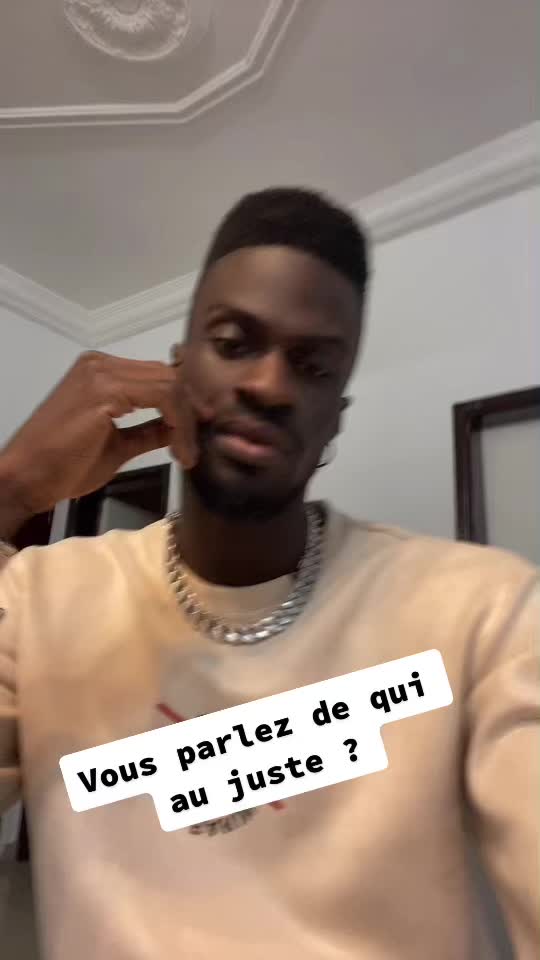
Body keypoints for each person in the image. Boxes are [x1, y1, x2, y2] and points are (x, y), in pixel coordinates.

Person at [0, 188, 537, 960]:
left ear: (334, 419)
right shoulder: (37, 599)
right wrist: (10, 492)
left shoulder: (484, 615)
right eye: (233, 342)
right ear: (176, 371)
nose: (270, 386)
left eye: (313, 366)